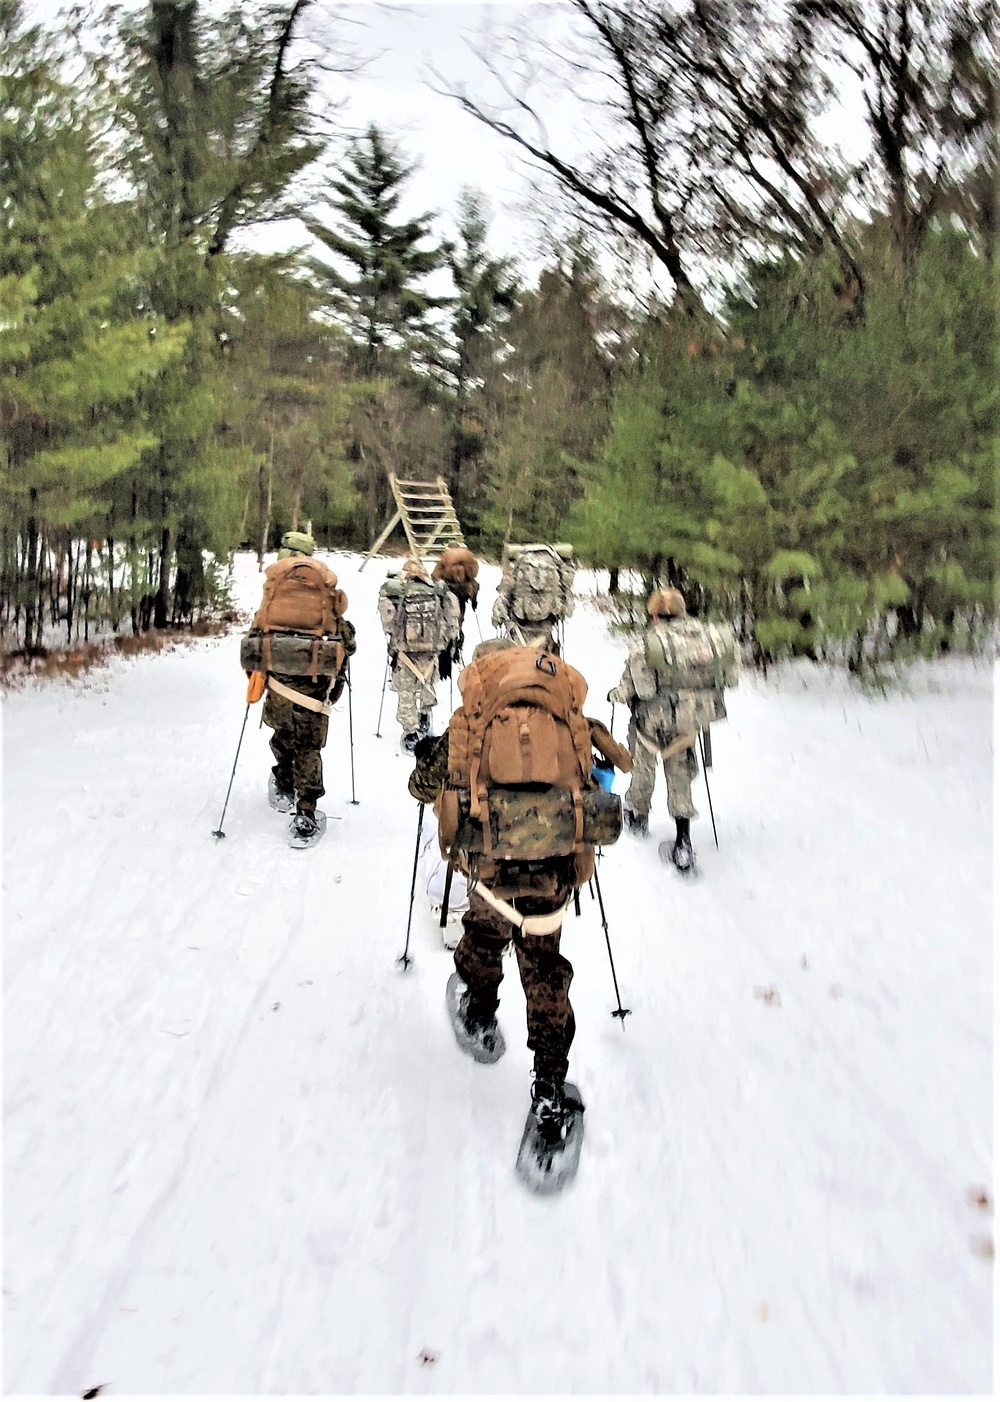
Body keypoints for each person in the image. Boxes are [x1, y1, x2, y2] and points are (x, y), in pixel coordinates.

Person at [409, 637, 630, 1145]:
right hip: (553, 872)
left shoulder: (470, 724)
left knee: (484, 938)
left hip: (490, 871)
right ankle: (550, 1091)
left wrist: (430, 760)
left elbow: (421, 788)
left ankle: (480, 1011)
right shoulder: (567, 720)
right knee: (544, 968)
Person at [609, 587, 738, 870]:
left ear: (656, 614)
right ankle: (683, 842)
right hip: (690, 719)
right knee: (679, 767)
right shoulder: (708, 638)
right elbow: (731, 678)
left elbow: (642, 690)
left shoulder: (648, 644)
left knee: (644, 761)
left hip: (654, 718)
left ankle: (638, 815)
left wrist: (616, 694)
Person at [243, 530, 356, 843]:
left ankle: (282, 780)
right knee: (308, 746)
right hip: (314, 684)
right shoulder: (323, 589)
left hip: (277, 683)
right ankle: (305, 812)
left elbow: (256, 636)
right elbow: (347, 640)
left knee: (283, 733)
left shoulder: (275, 590)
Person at [378, 557, 461, 752]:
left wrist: (394, 637)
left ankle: (411, 731)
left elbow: (388, 620)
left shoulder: (397, 591)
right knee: (427, 682)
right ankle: (425, 715)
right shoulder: (437, 591)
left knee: (405, 691)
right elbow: (452, 614)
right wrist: (447, 639)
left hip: (406, 650)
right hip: (431, 650)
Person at [491, 543, 575, 650]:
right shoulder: (556, 566)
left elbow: (505, 594)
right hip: (546, 624)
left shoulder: (517, 565)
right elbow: (567, 604)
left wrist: (498, 618)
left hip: (519, 623)